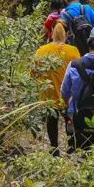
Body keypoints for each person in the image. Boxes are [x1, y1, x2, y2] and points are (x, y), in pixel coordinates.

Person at [34, 21, 80, 156]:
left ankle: (54, 149)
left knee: (51, 122)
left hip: (48, 94)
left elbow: (33, 73)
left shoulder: (41, 51)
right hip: (68, 95)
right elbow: (79, 72)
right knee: (69, 120)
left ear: (51, 32)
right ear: (67, 33)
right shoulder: (73, 51)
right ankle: (71, 147)